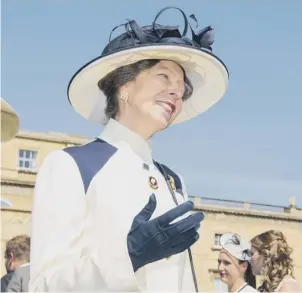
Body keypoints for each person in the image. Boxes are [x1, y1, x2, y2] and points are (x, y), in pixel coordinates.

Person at [29, 6, 229, 292]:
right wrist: (129, 255)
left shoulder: (174, 180)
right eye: (164, 77)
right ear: (123, 84)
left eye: (182, 87)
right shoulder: (72, 165)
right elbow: (44, 285)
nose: (177, 91)